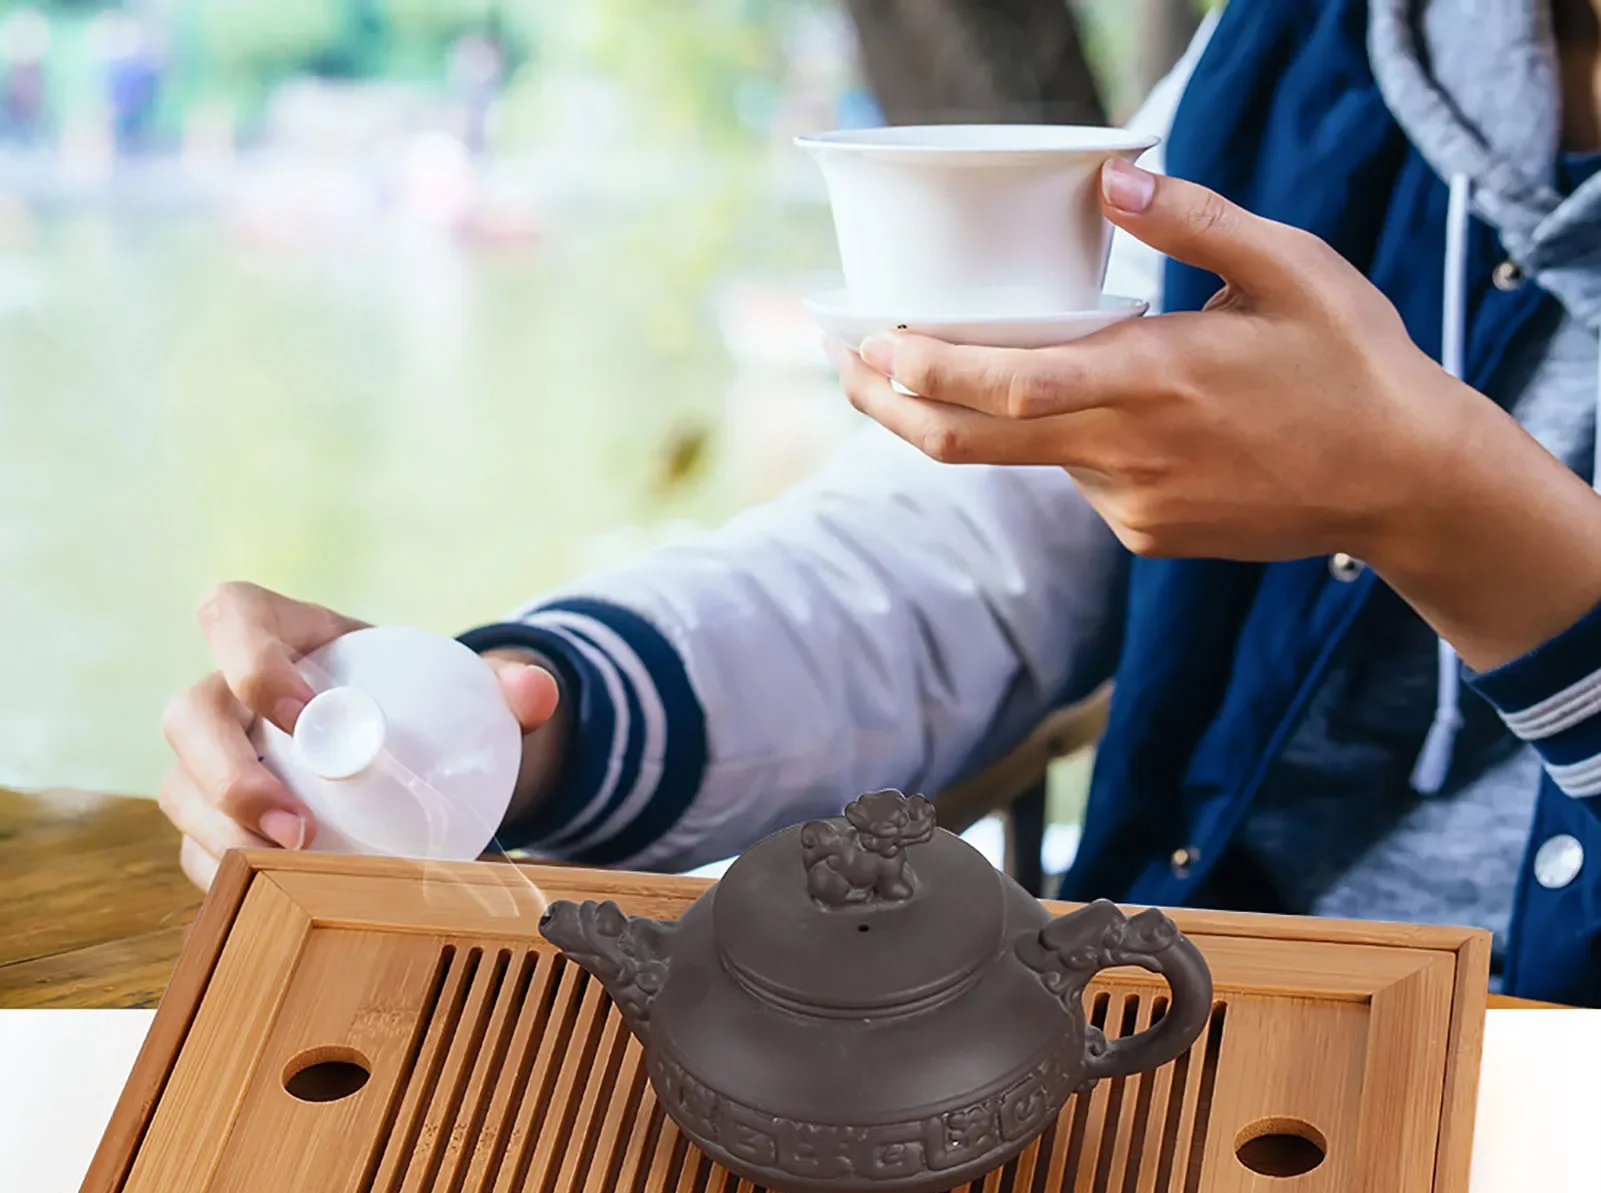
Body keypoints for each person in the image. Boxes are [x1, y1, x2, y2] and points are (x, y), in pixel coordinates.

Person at [159, 0, 1601, 1005]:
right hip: (1190, 1045)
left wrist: (1443, 509)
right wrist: (520, 712)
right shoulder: (1301, 48)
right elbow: (956, 562)